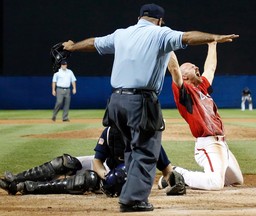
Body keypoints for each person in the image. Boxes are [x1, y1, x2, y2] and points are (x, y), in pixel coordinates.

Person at [62, 3, 239, 212]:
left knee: (131, 150)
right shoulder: (160, 34)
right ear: (160, 21)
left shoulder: (122, 34)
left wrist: (73, 47)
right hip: (141, 101)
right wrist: (214, 37)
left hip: (116, 102)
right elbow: (188, 37)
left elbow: (94, 43)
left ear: (139, 18)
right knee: (146, 151)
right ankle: (133, 200)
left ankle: (127, 188)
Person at [0, 126, 184, 196]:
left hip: (122, 177)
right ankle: (15, 178)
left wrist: (173, 182)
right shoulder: (110, 132)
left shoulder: (148, 139)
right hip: (105, 168)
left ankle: (27, 188)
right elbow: (97, 161)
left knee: (88, 180)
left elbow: (167, 170)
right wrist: (103, 174)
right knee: (65, 163)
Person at [164, 42, 244, 191]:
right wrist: (165, 44)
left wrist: (212, 43)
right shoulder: (184, 91)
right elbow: (174, 68)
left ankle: (182, 174)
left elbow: (211, 68)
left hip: (221, 144)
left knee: (237, 180)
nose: (197, 67)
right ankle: (174, 173)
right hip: (208, 143)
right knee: (215, 183)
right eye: (192, 66)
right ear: (184, 76)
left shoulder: (202, 87)